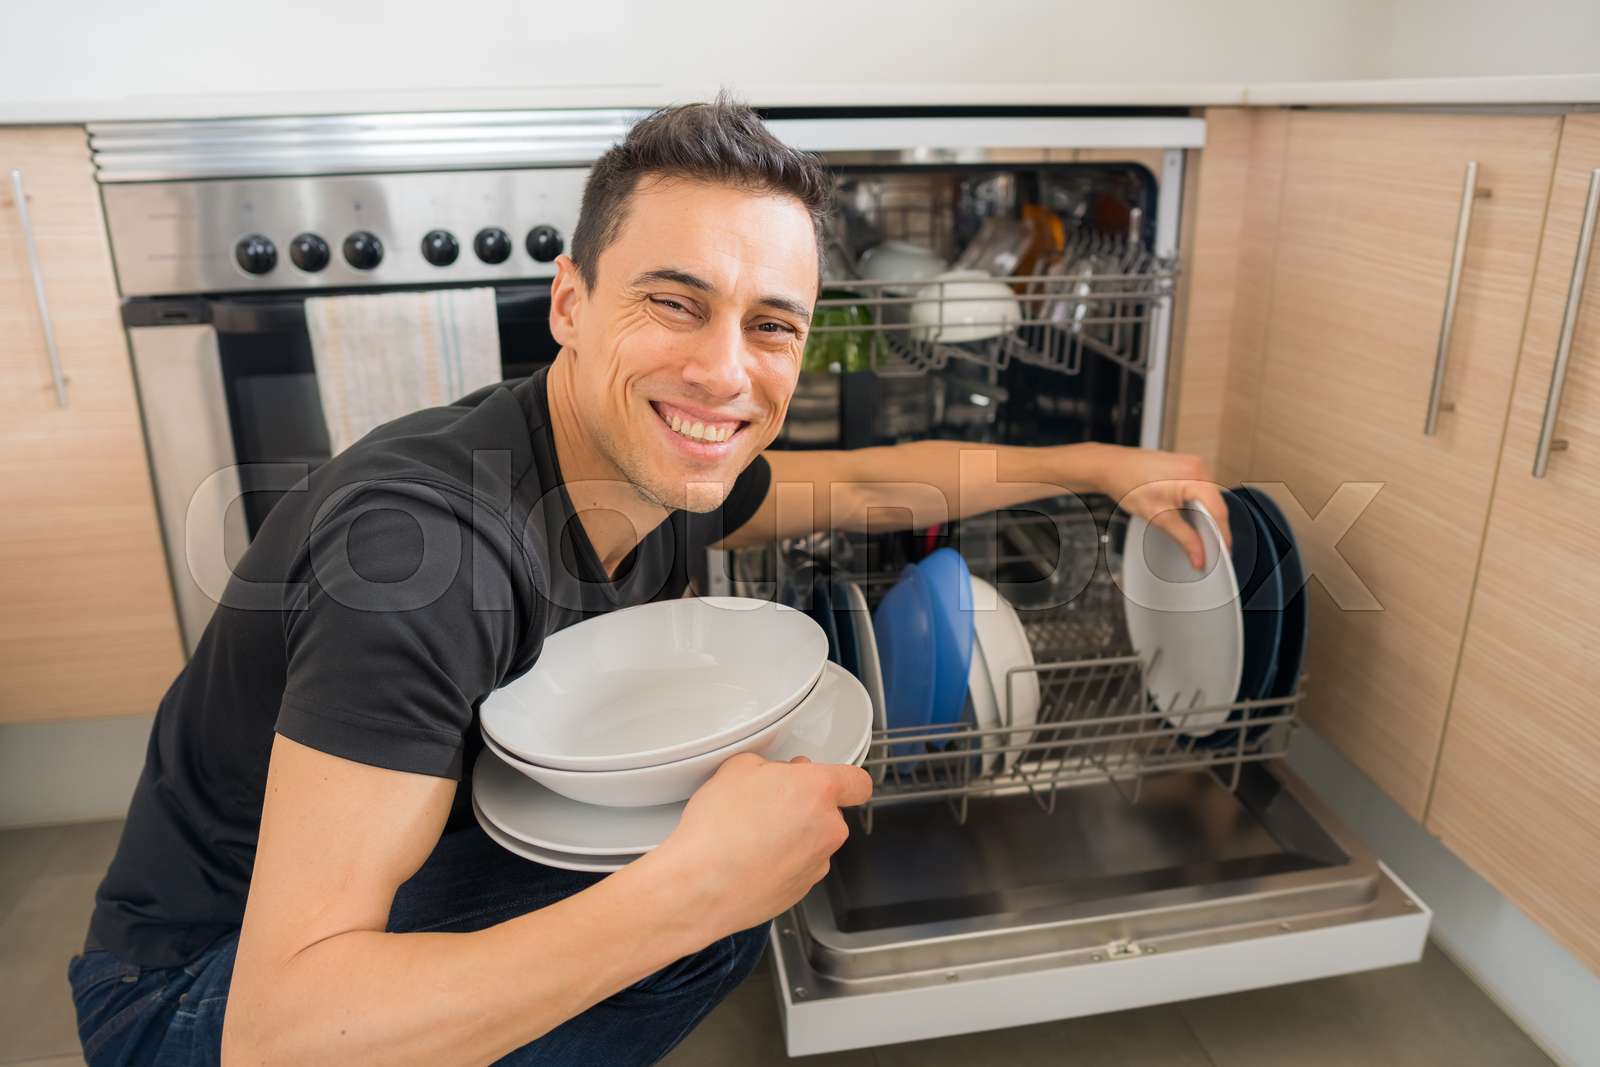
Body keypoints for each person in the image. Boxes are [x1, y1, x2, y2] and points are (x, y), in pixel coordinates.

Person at [68, 96, 1229, 1066]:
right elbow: (279, 1030)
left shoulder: (657, 459)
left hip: (329, 941)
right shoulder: (422, 558)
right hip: (187, 1000)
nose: (725, 372)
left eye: (771, 325)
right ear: (570, 303)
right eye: (675, 301)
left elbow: (875, 478)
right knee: (693, 915)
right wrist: (690, 890)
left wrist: (1097, 465)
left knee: (694, 887)